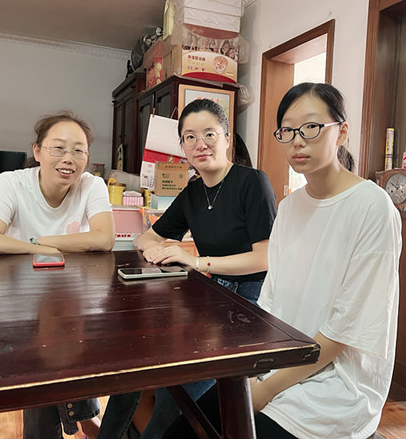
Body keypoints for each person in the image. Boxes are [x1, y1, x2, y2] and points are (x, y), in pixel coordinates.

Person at [163, 82, 402, 438]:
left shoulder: (372, 206)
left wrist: (264, 391)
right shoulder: (289, 207)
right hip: (277, 362)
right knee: (179, 432)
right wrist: (254, 372)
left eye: (311, 127)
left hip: (335, 386)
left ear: (342, 132)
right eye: (287, 131)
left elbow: (344, 329)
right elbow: (271, 301)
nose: (297, 140)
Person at [98, 98, 277, 439]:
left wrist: (195, 261)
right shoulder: (193, 192)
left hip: (251, 305)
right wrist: (156, 248)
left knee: (174, 396)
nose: (200, 144)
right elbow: (145, 237)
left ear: (227, 138)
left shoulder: (253, 182)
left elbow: (264, 258)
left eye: (209, 134)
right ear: (182, 146)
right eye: (190, 137)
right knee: (134, 370)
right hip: (210, 298)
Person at [0, 110, 115, 439]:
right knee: (47, 355)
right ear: (37, 151)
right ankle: (84, 421)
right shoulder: (11, 183)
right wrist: (53, 248)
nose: (69, 159)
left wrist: (40, 243)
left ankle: (77, 423)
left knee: (67, 348)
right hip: (19, 299)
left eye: (78, 150)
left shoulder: (91, 185)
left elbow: (104, 238)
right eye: (58, 148)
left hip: (69, 294)